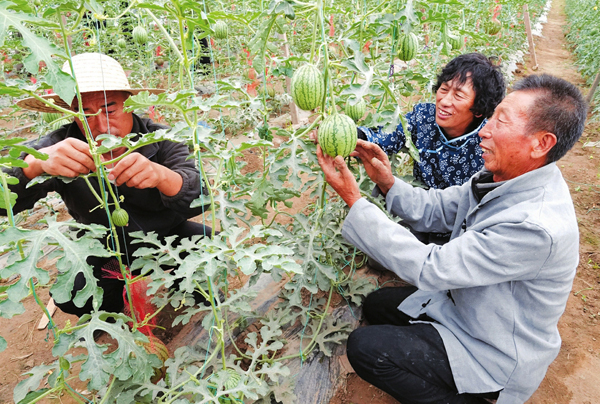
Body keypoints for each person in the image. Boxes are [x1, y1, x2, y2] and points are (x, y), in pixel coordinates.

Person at [317, 74, 587, 403]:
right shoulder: (504, 176)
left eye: (501, 121)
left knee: (366, 349)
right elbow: (438, 208)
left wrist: (354, 201)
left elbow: (432, 268)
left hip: (492, 349)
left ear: (541, 143)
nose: (484, 130)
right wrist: (387, 183)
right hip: (469, 310)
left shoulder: (535, 227)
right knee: (378, 305)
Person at [1, 53, 211, 317]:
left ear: (130, 104)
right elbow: (3, 203)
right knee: (73, 296)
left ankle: (186, 291)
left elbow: (201, 196)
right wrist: (34, 165)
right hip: (103, 249)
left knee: (208, 248)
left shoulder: (161, 137)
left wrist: (162, 176)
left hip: (166, 237)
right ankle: (112, 311)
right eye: (84, 114)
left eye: (109, 110)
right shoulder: (59, 146)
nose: (101, 126)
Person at [360, 52, 505, 245]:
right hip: (416, 210)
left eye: (458, 95)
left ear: (478, 109)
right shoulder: (423, 117)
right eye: (444, 89)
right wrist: (358, 137)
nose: (444, 101)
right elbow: (387, 136)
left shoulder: (488, 144)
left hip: (459, 228)